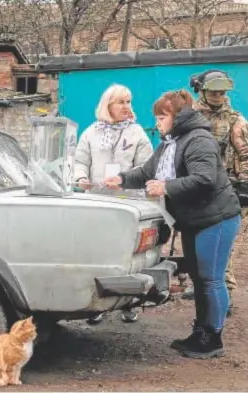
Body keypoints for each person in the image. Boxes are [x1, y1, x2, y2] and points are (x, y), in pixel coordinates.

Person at [105, 90, 241, 358]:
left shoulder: (198, 140)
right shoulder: (170, 143)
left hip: (216, 219)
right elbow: (146, 173)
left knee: (211, 280)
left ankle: (213, 338)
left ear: (178, 117)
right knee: (200, 279)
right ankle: (201, 332)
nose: (157, 122)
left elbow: (204, 179)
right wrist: (120, 179)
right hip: (194, 220)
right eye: (157, 117)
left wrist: (166, 187)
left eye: (162, 116)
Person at [74, 84, 153, 324]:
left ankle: (129, 303)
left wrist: (126, 182)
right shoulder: (91, 132)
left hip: (127, 203)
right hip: (97, 202)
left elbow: (147, 167)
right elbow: (79, 161)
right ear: (108, 106)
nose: (127, 107)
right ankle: (97, 305)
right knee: (98, 253)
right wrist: (80, 178)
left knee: (127, 255)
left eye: (129, 102)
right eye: (121, 102)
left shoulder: (137, 133)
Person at [183, 69, 248, 316]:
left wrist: (243, 185)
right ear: (202, 90)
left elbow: (245, 154)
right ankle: (199, 285)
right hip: (196, 186)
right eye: (214, 92)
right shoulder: (191, 117)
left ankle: (225, 293)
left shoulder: (235, 121)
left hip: (225, 189)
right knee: (195, 238)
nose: (219, 96)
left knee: (223, 244)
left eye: (222, 92)